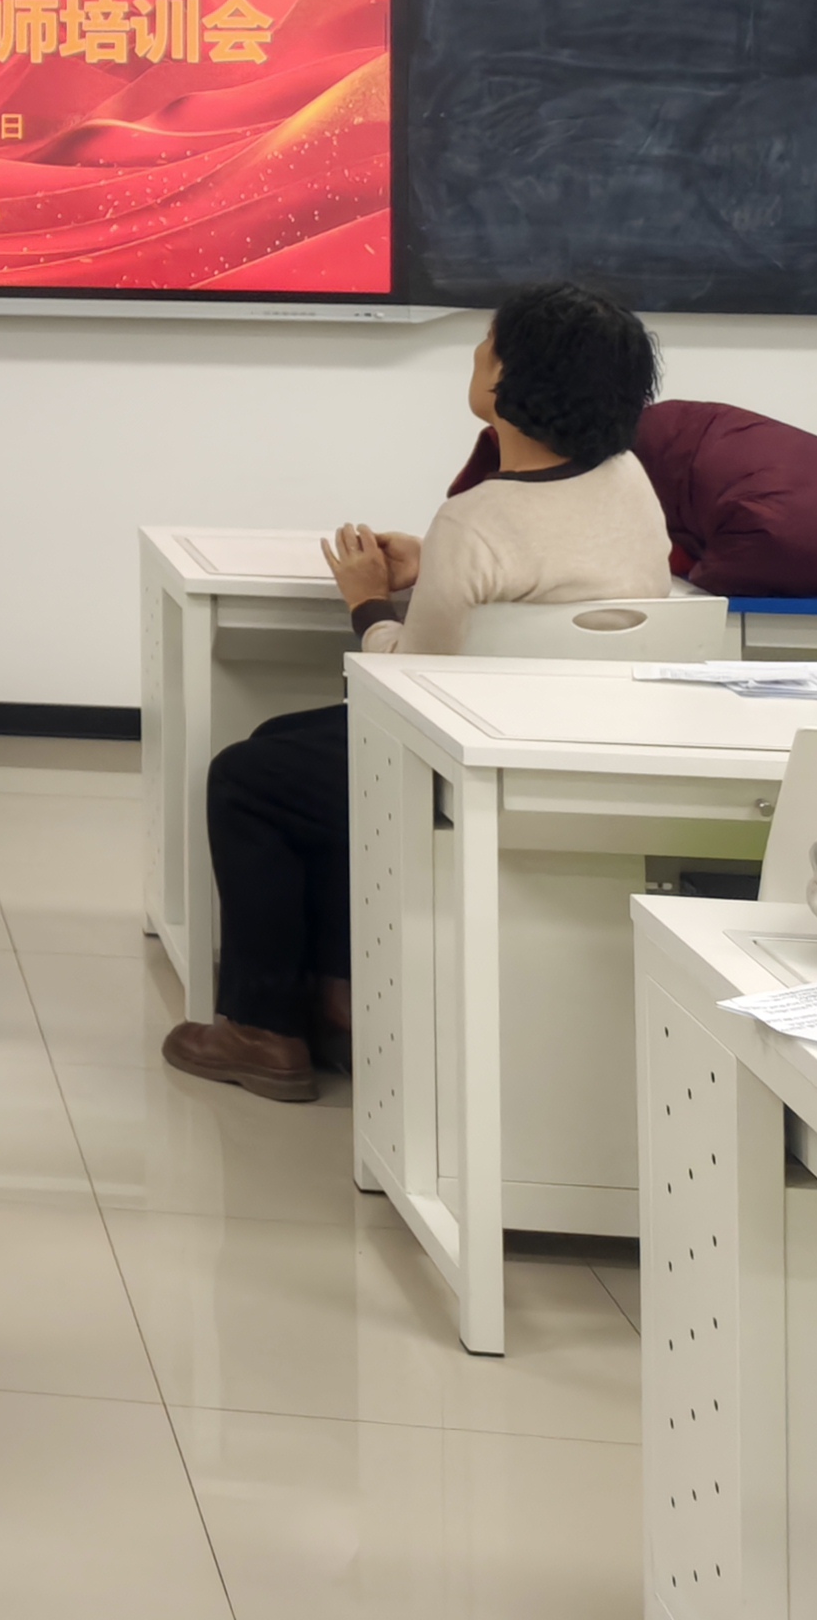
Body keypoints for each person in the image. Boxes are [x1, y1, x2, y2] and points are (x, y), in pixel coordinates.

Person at [163, 282, 670, 1104]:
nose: (474, 354)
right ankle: (337, 991)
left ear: (510, 381)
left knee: (249, 779)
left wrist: (367, 602)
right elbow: (553, 574)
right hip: (584, 735)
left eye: (487, 345)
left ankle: (262, 1029)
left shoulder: (478, 516)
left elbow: (407, 689)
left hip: (472, 759)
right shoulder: (629, 479)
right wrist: (437, 567)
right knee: (288, 746)